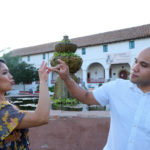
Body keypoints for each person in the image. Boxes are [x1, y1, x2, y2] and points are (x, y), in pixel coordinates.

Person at [51, 47, 150, 150]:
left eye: (144, 65)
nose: (134, 68)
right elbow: (86, 97)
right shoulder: (117, 87)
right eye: (135, 61)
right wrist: (67, 78)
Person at [0, 59, 51, 149]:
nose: (11, 76)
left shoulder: (6, 104)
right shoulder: (2, 110)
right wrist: (43, 81)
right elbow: (41, 118)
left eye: (9, 72)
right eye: (4, 73)